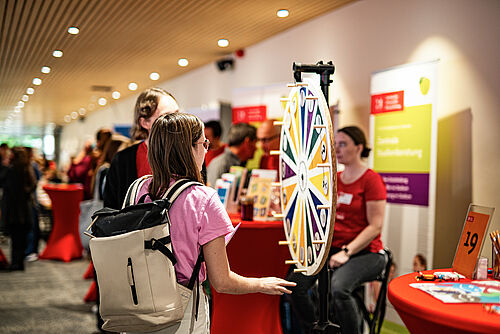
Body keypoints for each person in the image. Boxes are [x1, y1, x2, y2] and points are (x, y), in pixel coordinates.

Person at [129, 112, 295, 333]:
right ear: (189, 148)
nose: (206, 150)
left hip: (136, 302)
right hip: (181, 309)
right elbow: (222, 281)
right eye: (203, 143)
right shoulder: (203, 199)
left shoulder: (138, 189)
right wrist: (261, 284)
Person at [287, 126, 387, 334]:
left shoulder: (371, 179)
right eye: (335, 145)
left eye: (343, 144)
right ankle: (317, 330)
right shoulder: (334, 179)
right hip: (331, 249)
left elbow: (375, 225)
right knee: (294, 285)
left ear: (359, 147)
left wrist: (347, 251)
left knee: (339, 288)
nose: (337, 149)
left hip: (366, 252)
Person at [103, 87, 179, 210]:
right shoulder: (123, 160)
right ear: (144, 122)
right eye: (166, 116)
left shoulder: (190, 154)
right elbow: (111, 208)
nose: (176, 121)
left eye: (177, 113)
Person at [1, 147, 37, 271]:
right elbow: (32, 185)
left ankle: (15, 263)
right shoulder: (27, 168)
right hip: (25, 209)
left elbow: (8, 188)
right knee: (21, 237)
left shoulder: (11, 170)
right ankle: (20, 263)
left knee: (16, 238)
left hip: (14, 210)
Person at [206, 122, 257, 187]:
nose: (256, 148)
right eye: (255, 143)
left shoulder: (238, 163)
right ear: (247, 142)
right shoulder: (221, 164)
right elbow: (213, 194)